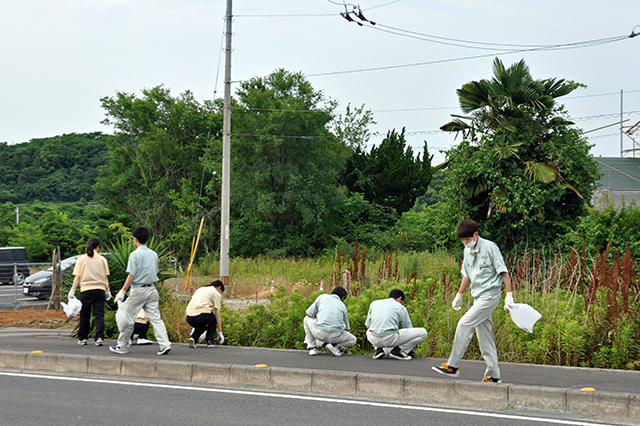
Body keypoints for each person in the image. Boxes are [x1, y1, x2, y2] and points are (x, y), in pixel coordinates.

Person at [432, 219, 513, 383]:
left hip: (490, 295)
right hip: (478, 297)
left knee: (464, 323)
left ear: (476, 234)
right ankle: (494, 374)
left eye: (467, 239)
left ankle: (453, 366)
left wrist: (509, 294)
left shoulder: (490, 247)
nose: (465, 242)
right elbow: (467, 274)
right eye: (462, 240)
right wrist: (459, 294)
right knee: (484, 336)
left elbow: (503, 271)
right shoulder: (467, 251)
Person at [109, 226, 172, 356]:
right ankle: (165, 344)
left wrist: (122, 291)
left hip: (138, 290)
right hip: (152, 289)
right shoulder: (154, 254)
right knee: (156, 319)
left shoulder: (134, 255)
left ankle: (122, 346)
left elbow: (131, 275)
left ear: (135, 239)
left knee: (128, 318)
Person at [69, 237, 111, 347]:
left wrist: (72, 290)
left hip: (86, 290)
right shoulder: (102, 259)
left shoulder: (81, 259)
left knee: (85, 315)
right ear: (98, 247)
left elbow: (77, 276)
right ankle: (99, 337)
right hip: (100, 289)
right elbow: (106, 277)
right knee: (99, 315)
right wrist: (108, 290)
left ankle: (83, 337)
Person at [365, 289, 427, 360]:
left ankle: (379, 350)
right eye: (402, 302)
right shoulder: (400, 307)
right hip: (390, 338)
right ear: (400, 298)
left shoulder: (374, 303)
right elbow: (408, 328)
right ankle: (397, 351)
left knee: (368, 331)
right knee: (423, 332)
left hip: (374, 339)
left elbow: (368, 326)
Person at [304, 286, 356, 356]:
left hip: (319, 333)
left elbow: (308, 314)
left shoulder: (322, 297)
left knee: (306, 319)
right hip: (336, 336)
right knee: (353, 339)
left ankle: (313, 348)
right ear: (343, 298)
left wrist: (317, 317)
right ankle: (334, 347)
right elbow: (347, 329)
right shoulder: (343, 306)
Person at [186, 280, 225, 348]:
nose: (220, 293)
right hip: (202, 316)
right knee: (212, 318)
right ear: (219, 287)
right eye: (221, 292)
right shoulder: (215, 293)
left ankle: (193, 338)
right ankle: (210, 341)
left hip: (189, 317)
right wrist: (220, 332)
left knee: (203, 325)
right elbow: (217, 315)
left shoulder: (200, 289)